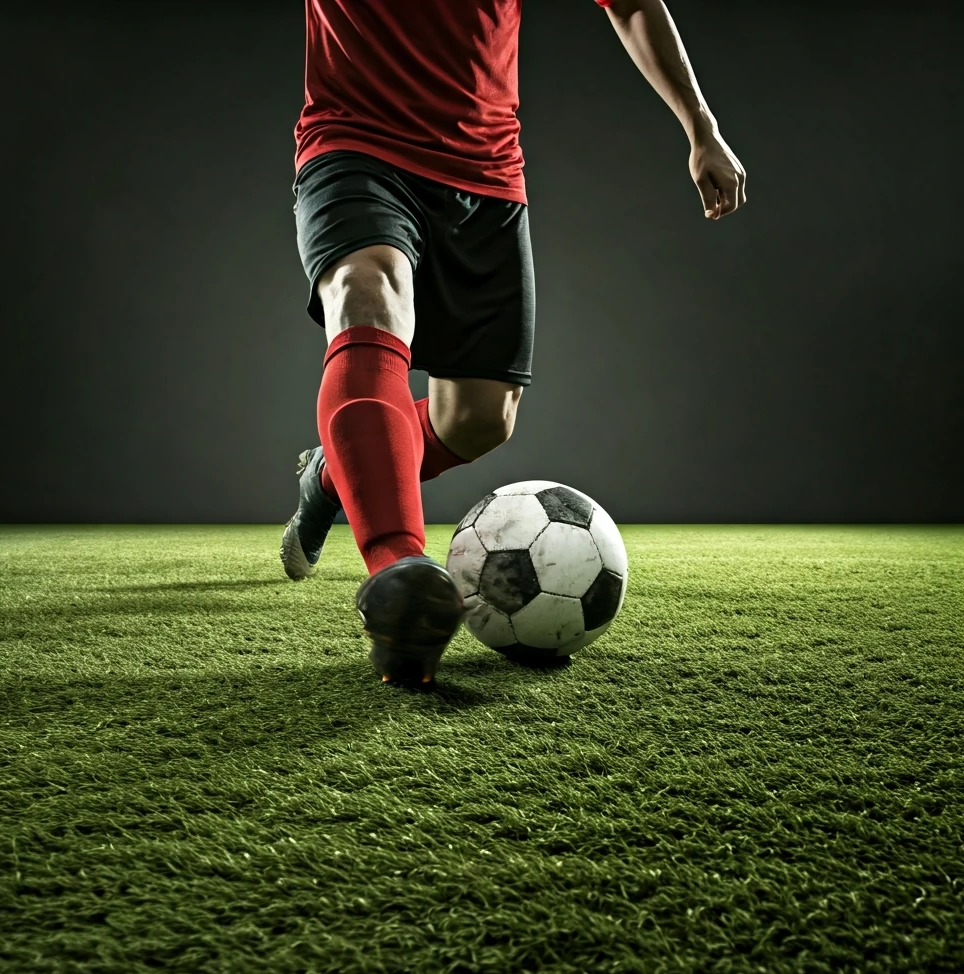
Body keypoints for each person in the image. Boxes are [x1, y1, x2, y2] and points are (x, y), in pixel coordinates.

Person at [281, 0, 747, 686]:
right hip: (355, 146)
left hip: (484, 174)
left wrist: (700, 126)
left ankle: (332, 475)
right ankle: (397, 574)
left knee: (476, 422)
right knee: (367, 290)